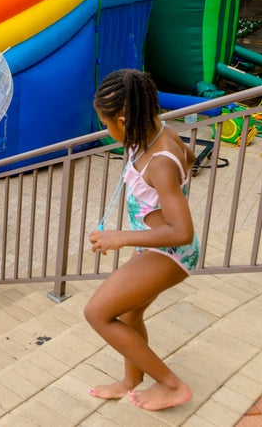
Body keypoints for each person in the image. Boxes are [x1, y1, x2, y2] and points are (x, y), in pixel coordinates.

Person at [84, 68, 200, 411]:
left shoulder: (161, 161)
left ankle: (172, 385)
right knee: (130, 316)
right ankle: (131, 381)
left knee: (98, 312)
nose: (107, 131)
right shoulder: (151, 131)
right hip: (156, 245)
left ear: (122, 119)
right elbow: (190, 157)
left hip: (171, 251)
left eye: (106, 124)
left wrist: (119, 237)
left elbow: (182, 232)